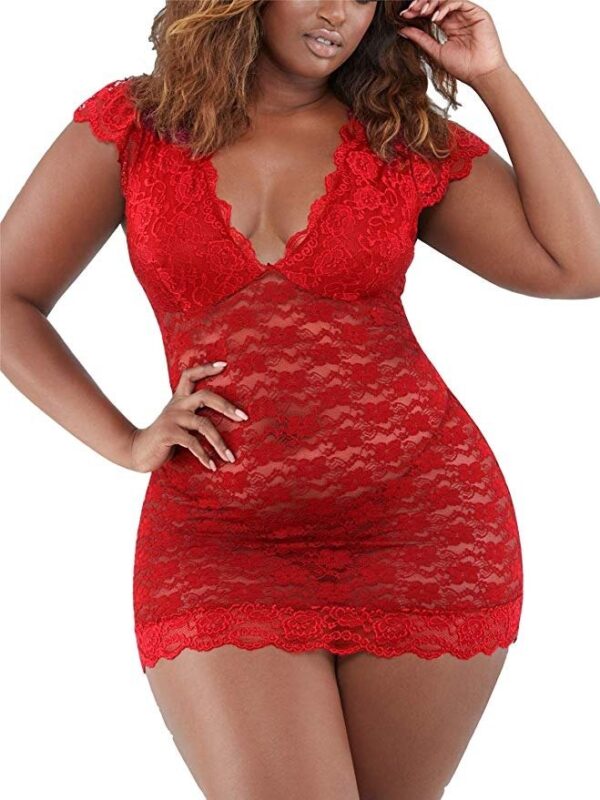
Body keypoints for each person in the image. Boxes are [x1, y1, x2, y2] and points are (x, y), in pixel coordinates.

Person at [2, 1, 599, 797]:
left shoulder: (396, 137)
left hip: (424, 530)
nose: (338, 12)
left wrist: (494, 77)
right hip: (221, 538)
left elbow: (578, 265)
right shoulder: (135, 125)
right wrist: (125, 441)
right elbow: (8, 297)